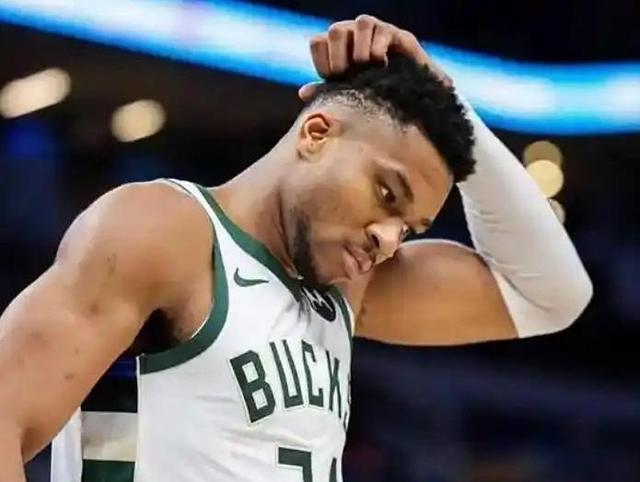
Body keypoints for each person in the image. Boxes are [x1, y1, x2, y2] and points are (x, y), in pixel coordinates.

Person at [0, 16, 592, 482]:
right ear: (316, 134)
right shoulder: (165, 229)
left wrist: (444, 98)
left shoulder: (345, 292)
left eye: (409, 228)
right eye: (387, 193)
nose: (389, 239)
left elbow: (553, 295)